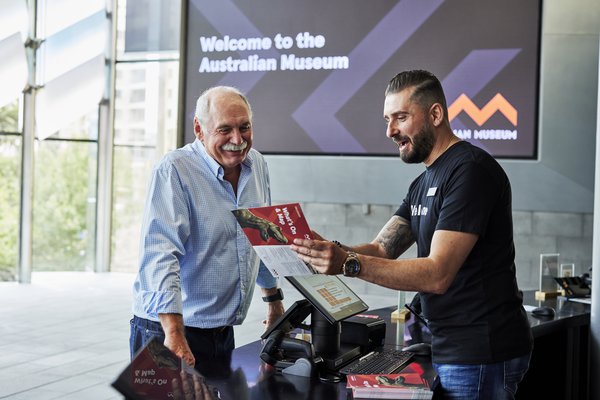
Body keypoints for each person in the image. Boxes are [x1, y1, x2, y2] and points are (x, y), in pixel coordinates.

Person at [291, 70, 533, 399]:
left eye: (401, 118)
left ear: (435, 114)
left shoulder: (470, 170)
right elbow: (382, 248)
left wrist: (346, 262)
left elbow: (437, 274)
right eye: (388, 119)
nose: (390, 131)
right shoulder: (422, 183)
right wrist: (328, 249)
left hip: (479, 351)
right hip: (448, 346)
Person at [130, 86, 285, 378]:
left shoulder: (257, 165)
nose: (237, 140)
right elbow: (160, 254)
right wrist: (173, 333)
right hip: (165, 328)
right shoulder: (174, 169)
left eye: (245, 127)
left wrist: (274, 301)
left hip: (219, 328)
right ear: (199, 130)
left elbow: (261, 234)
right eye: (225, 129)